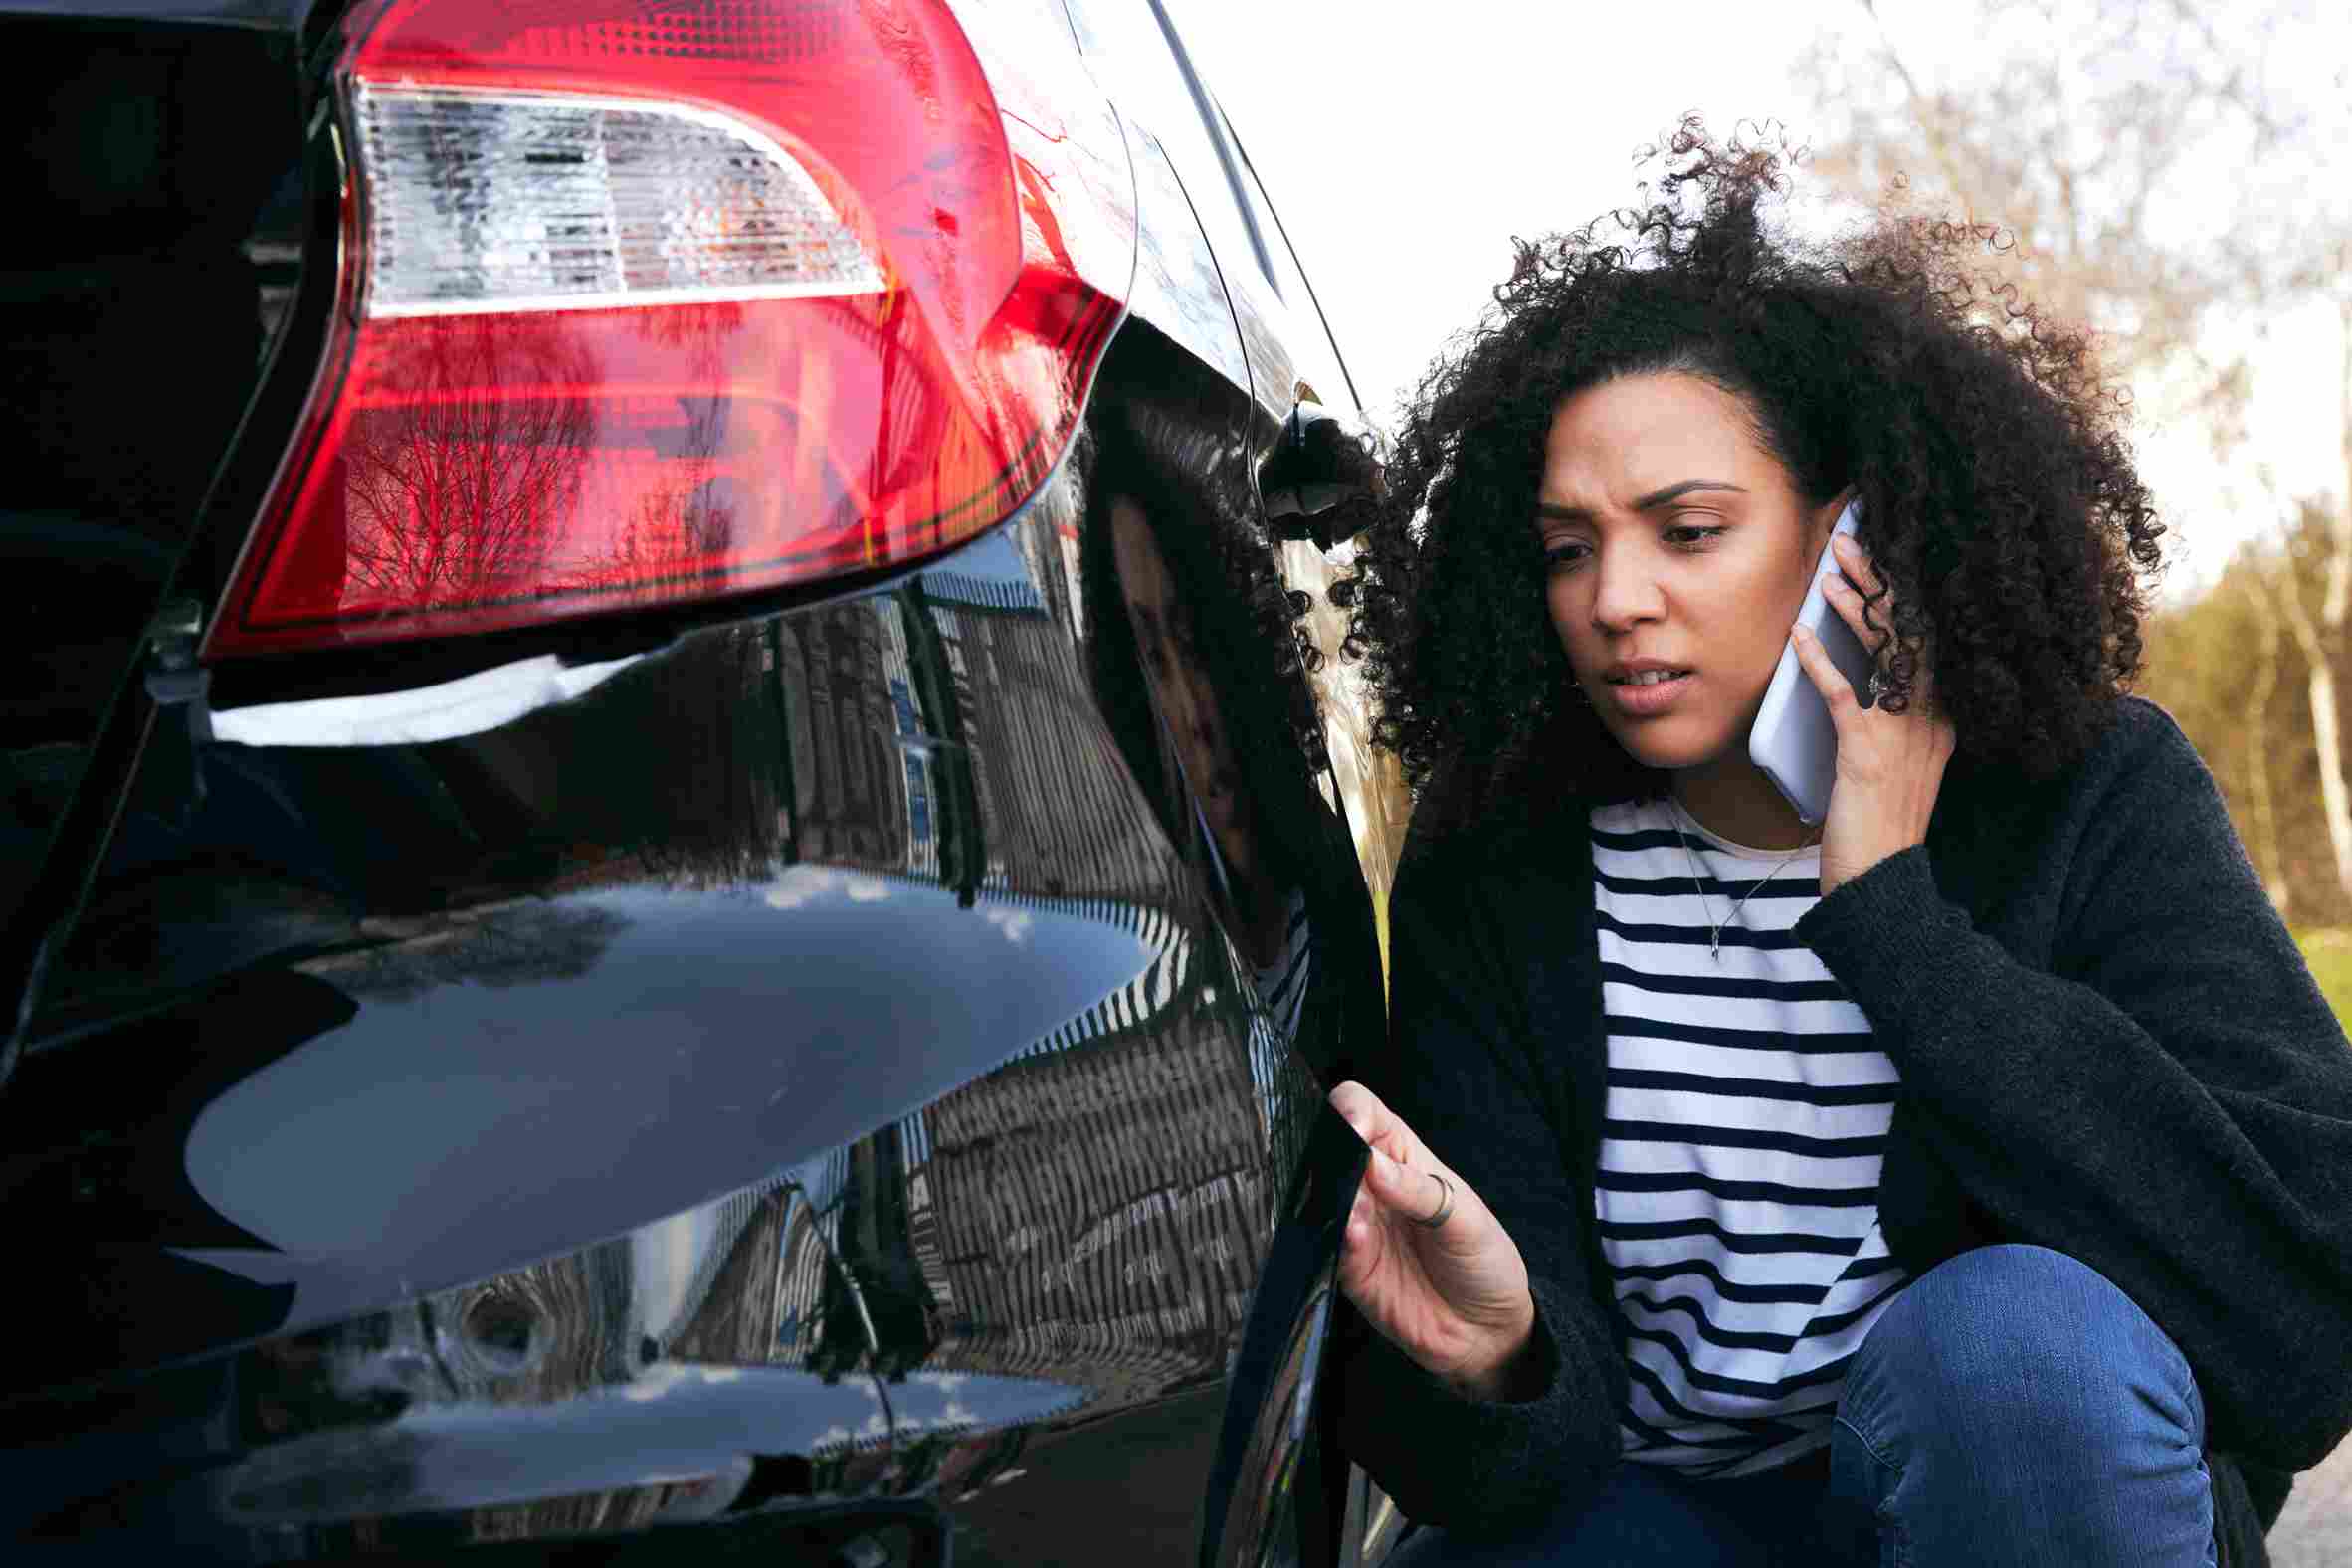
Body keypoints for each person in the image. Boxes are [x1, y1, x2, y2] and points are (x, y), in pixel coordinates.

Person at [1321, 122, 2352, 1568]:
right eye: (1568, 547)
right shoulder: (1499, 855)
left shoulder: (2091, 789)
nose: (1616, 597)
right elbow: (1499, 1475)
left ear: (1855, 538)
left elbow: (2307, 1304)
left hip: (1985, 1492)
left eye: (1688, 531)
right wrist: (1503, 1359)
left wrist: (1894, 917)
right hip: (1651, 1510)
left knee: (2012, 1351)